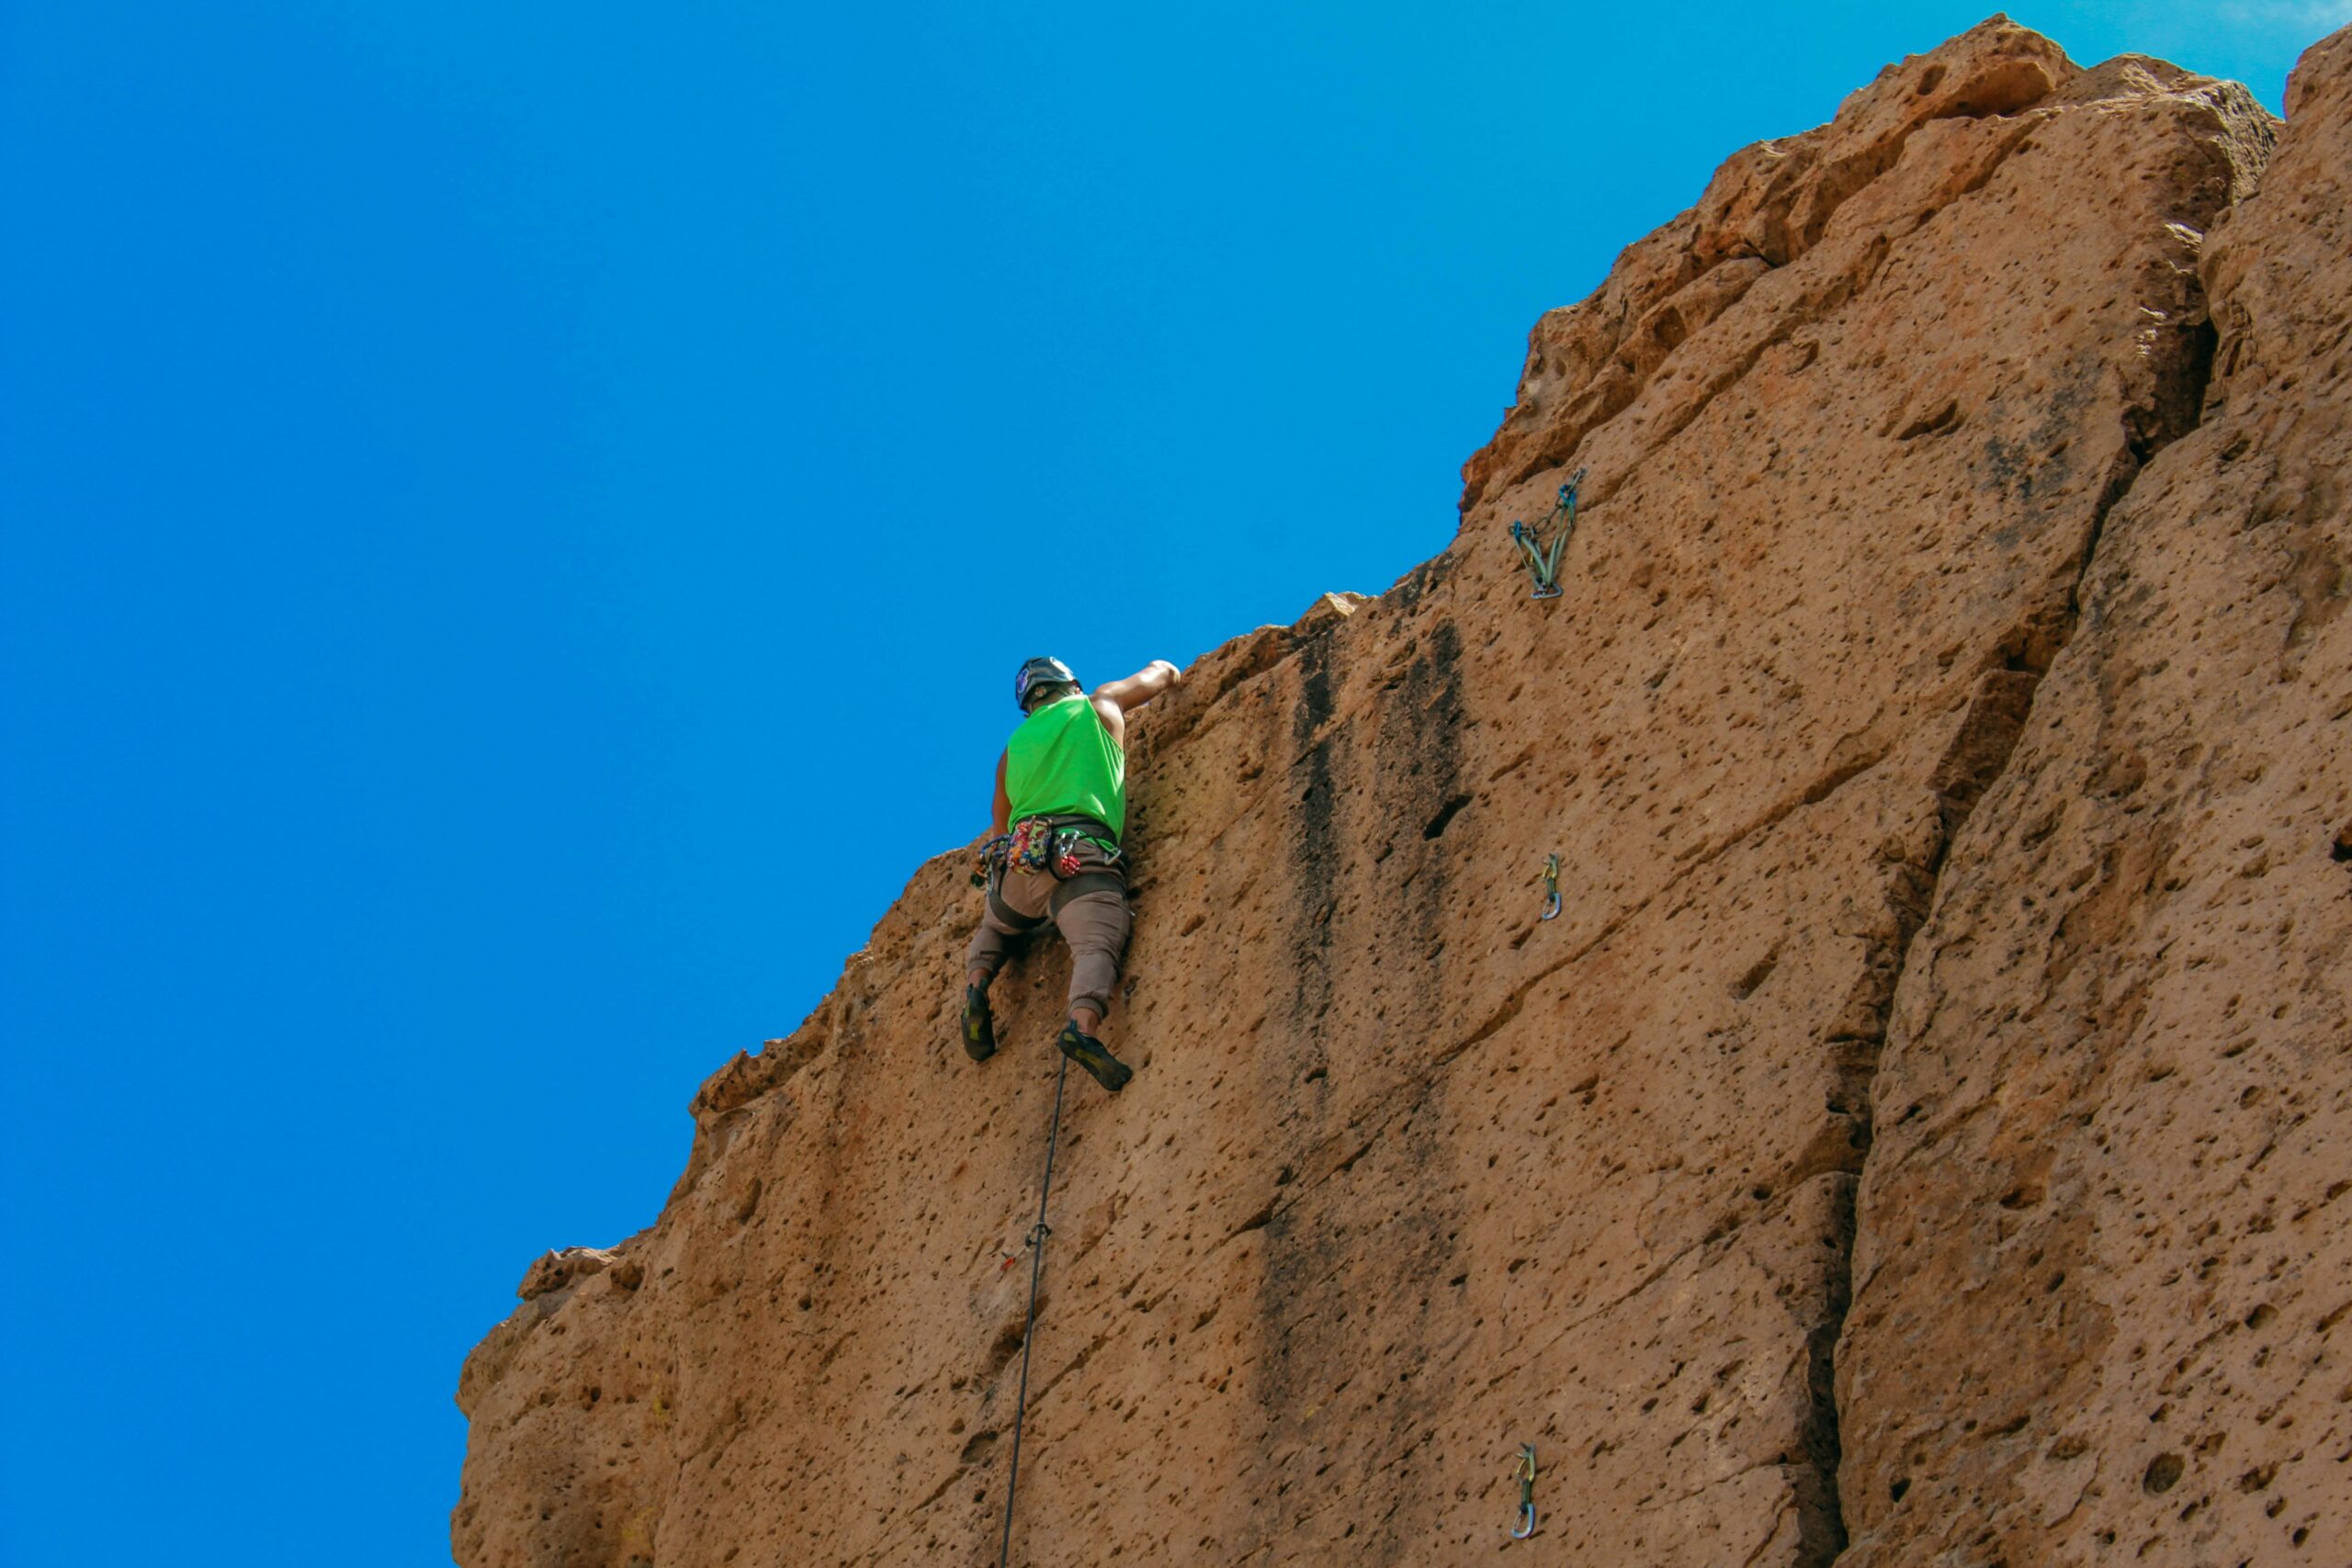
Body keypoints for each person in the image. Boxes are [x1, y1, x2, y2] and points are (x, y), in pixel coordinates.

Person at [962, 654, 1182, 1091]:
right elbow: (1160, 675)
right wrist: (1170, 670)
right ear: (1072, 687)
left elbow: (1001, 826)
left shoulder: (1013, 750)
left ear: (1030, 705)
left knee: (997, 926)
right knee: (1097, 942)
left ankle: (977, 985)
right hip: (1078, 857)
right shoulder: (1098, 705)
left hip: (1017, 870)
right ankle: (1082, 1029)